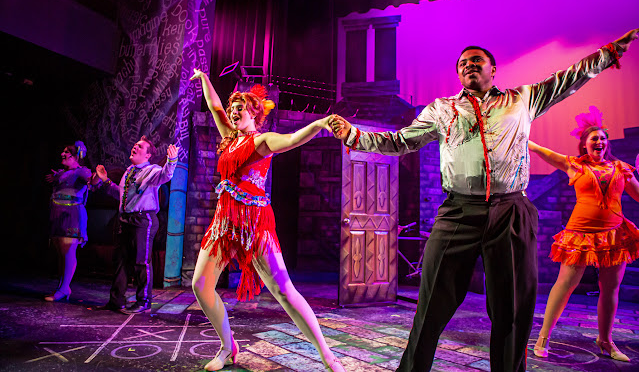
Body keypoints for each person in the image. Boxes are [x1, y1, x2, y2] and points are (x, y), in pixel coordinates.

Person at [329, 29, 639, 372]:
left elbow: (568, 78)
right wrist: (354, 135)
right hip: (458, 211)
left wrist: (609, 54)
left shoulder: (522, 99)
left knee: (512, 309)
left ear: (493, 69)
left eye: (477, 60)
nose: (469, 65)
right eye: (463, 63)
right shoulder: (442, 109)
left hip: (511, 211)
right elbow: (401, 141)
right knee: (431, 305)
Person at [189, 69, 345, 372]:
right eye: (233, 109)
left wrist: (320, 123)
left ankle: (328, 355)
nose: (233, 113)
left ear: (253, 114)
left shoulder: (263, 141)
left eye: (240, 109)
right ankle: (228, 347)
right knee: (201, 285)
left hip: (255, 226)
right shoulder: (229, 138)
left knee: (284, 291)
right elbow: (215, 106)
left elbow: (293, 139)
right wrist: (205, 79)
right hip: (224, 224)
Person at [530, 106, 639, 362]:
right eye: (594, 138)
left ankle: (605, 341)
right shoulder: (575, 165)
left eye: (603, 138)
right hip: (580, 235)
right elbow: (543, 151)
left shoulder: (621, 169)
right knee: (565, 285)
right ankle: (543, 337)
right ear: (584, 144)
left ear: (607, 142)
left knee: (610, 289)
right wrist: (522, 137)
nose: (599, 142)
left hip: (614, 236)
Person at [91, 136, 178, 314]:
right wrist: (105, 180)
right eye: (135, 145)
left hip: (142, 220)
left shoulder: (152, 170)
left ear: (147, 155)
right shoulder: (129, 171)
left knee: (141, 261)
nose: (135, 147)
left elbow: (166, 175)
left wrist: (172, 160)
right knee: (121, 260)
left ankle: (143, 301)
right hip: (126, 219)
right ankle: (116, 300)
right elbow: (120, 195)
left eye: (140, 147)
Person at [44, 141, 91, 301]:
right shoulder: (61, 173)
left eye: (66, 152)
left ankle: (64, 288)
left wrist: (97, 178)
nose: (62, 154)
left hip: (72, 215)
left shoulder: (81, 172)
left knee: (68, 251)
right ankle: (64, 287)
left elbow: (92, 181)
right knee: (61, 253)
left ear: (76, 156)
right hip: (58, 214)